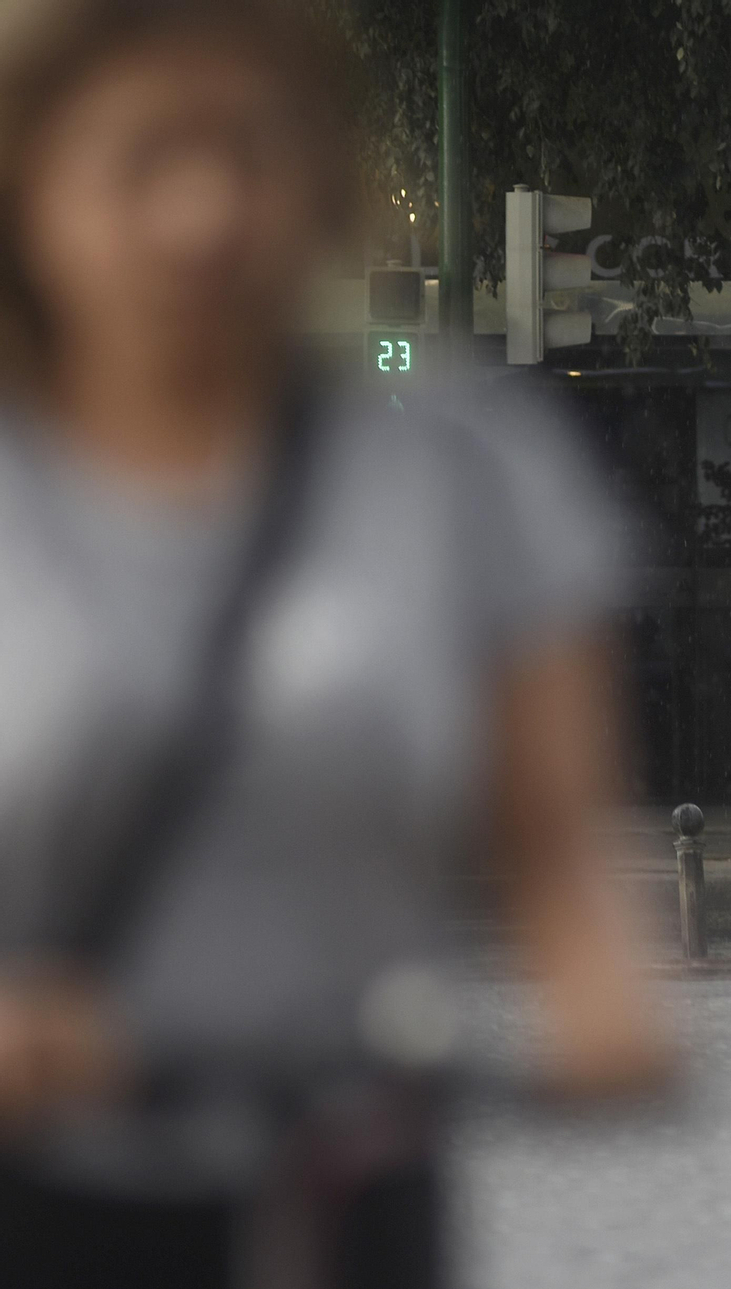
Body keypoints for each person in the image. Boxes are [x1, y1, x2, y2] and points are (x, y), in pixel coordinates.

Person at [0, 2, 675, 1285]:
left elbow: (559, 836)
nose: (204, 211)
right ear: (25, 176)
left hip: (344, 1189)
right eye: (142, 157)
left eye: (247, 148)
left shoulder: (457, 465)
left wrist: (602, 994)